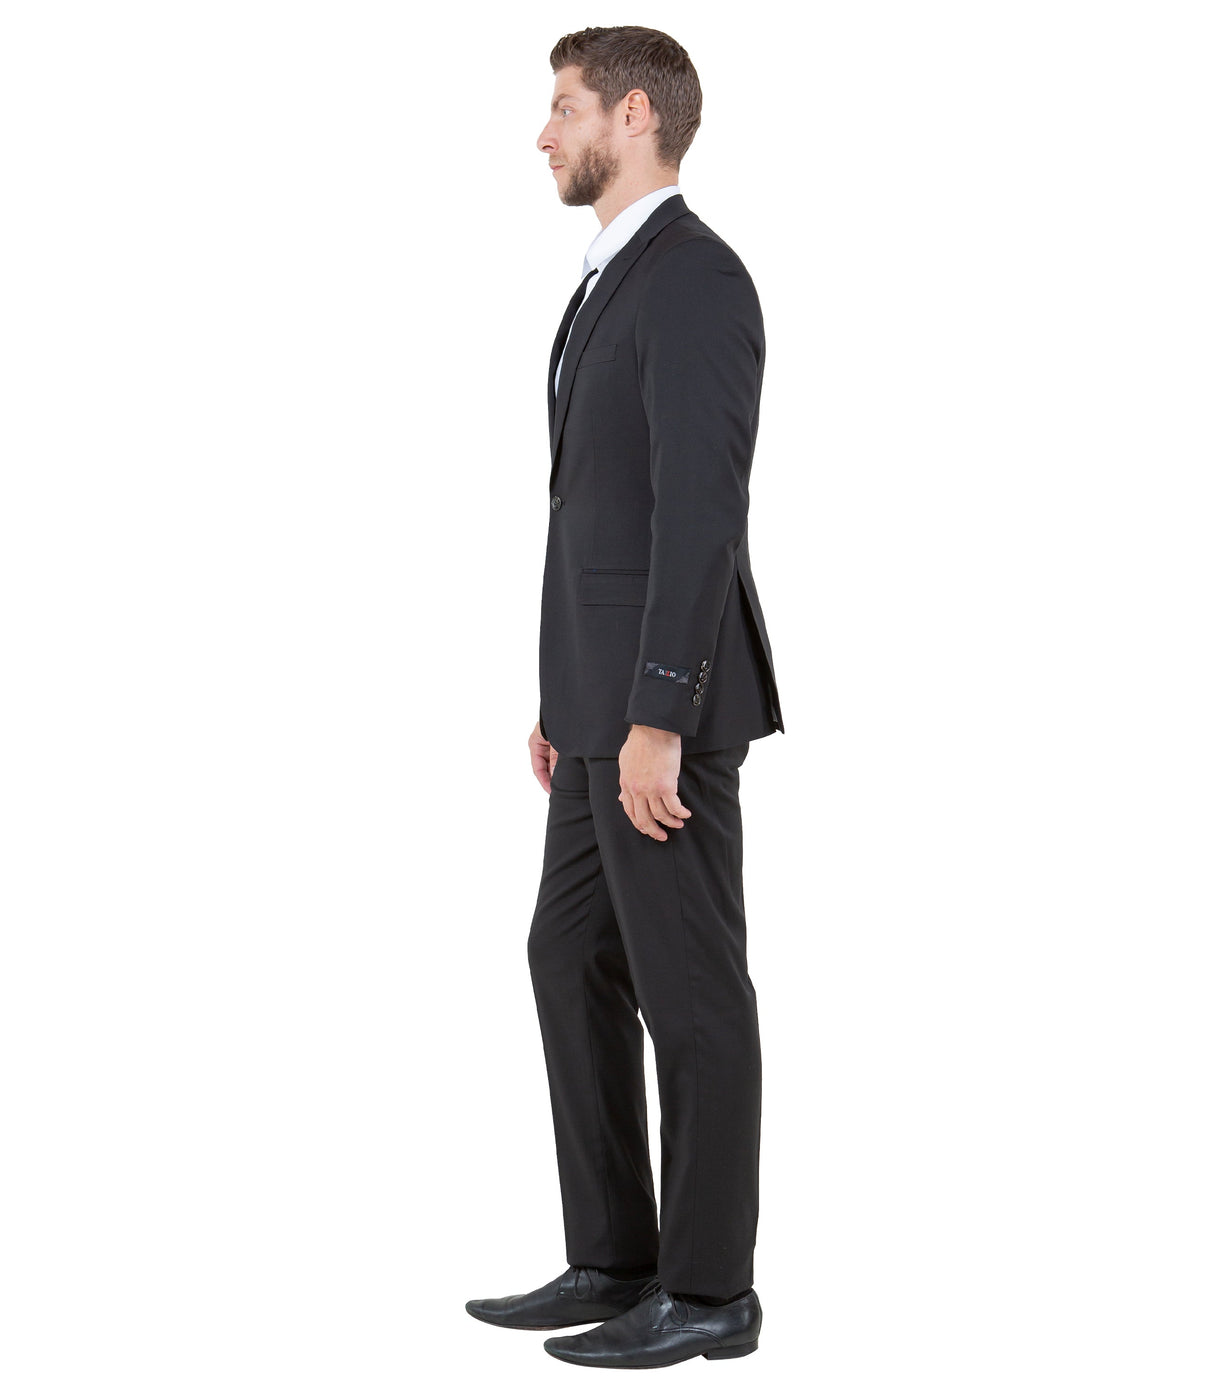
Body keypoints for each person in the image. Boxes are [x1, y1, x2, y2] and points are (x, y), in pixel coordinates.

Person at [465, 26, 785, 1369]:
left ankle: (710, 1292)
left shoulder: (694, 279)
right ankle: (614, 1255)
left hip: (665, 717)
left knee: (690, 991)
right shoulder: (612, 279)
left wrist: (659, 710)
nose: (543, 133)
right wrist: (566, 696)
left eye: (564, 107)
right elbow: (594, 512)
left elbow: (700, 515)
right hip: (597, 713)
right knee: (568, 956)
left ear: (634, 115)